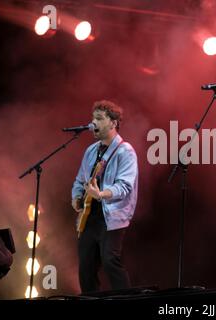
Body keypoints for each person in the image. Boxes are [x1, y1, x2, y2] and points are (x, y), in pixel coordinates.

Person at [71, 100, 138, 293]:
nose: (93, 123)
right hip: (89, 216)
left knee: (110, 261)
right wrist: (76, 197)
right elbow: (79, 180)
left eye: (99, 118)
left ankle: (127, 299)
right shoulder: (91, 151)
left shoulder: (125, 151)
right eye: (93, 118)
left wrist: (100, 194)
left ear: (113, 122)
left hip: (113, 218)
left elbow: (124, 187)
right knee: (86, 268)